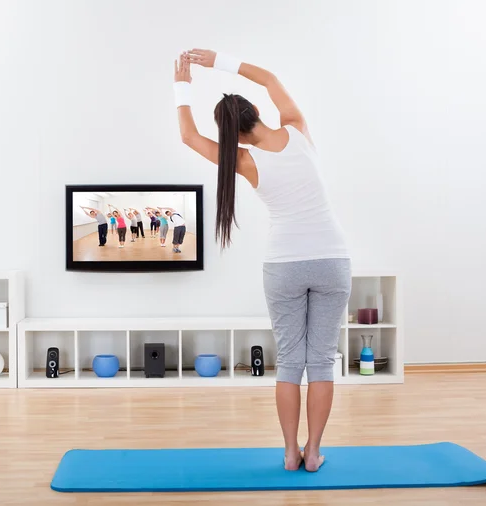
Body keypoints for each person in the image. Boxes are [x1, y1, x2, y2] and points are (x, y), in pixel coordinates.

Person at [174, 49, 351, 472]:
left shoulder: (244, 159)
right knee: (321, 360)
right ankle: (314, 453)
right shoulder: (299, 130)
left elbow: (188, 137)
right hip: (332, 260)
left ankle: (291, 453)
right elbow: (270, 77)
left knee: (291, 360)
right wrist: (216, 61)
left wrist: (181, 84)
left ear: (233, 133)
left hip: (284, 265)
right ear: (256, 112)